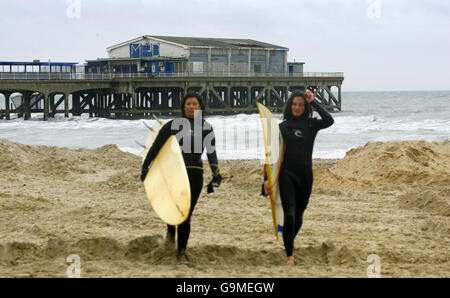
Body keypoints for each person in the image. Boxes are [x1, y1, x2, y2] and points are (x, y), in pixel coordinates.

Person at [140, 93, 222, 264]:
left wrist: (216, 173)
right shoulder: (172, 126)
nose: (191, 107)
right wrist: (145, 166)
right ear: (183, 107)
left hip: (195, 174)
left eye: (195, 104)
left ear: (200, 107)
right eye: (188, 104)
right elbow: (156, 147)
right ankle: (170, 239)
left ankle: (181, 252)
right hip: (174, 173)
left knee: (186, 214)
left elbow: (211, 153)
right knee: (172, 208)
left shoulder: (206, 127)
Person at [262, 89, 334, 266]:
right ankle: (290, 256)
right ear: (290, 105)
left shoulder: (312, 124)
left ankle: (289, 242)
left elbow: (329, 120)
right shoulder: (282, 127)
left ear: (305, 107)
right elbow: (272, 154)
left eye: (301, 105)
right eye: (294, 104)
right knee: (290, 214)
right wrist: (266, 179)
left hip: (306, 176)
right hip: (287, 174)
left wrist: (314, 101)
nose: (297, 107)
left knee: (300, 215)